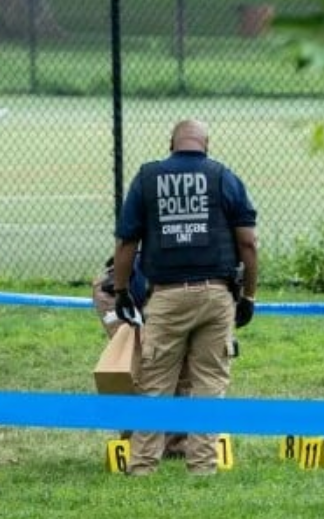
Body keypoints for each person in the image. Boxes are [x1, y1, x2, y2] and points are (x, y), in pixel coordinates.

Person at [111, 119, 258, 476]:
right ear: (206, 144)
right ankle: (203, 468)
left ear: (171, 143)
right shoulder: (224, 177)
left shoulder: (147, 179)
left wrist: (120, 289)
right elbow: (248, 243)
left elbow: (127, 241)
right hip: (216, 295)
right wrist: (249, 296)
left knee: (154, 383)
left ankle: (143, 467)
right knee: (210, 381)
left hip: (166, 297)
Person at [91, 253, 189, 458]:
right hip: (119, 291)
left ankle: (176, 443)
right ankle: (137, 442)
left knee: (180, 362)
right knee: (134, 365)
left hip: (164, 290)